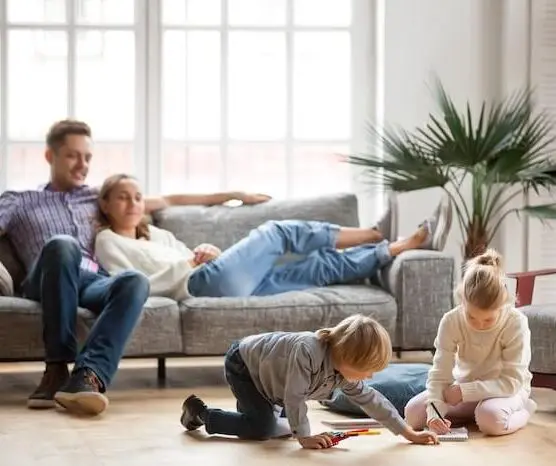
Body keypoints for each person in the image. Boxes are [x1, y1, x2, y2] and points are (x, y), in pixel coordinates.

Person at [0, 119, 270, 415]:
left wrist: (235, 195)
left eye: (87, 157)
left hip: (91, 280)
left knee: (133, 280)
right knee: (63, 245)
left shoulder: (96, 197)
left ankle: (87, 377)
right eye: (72, 155)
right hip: (46, 278)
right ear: (50, 156)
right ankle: (56, 369)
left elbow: (169, 199)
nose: (82, 164)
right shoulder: (19, 201)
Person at [94, 174, 452, 300]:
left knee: (316, 267)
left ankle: (395, 246)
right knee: (278, 232)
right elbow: (132, 284)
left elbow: (192, 254)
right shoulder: (108, 241)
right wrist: (191, 263)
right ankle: (374, 232)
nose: (132, 203)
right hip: (198, 284)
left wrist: (207, 250)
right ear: (106, 204)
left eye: (137, 197)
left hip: (220, 277)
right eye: (122, 197)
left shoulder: (156, 233)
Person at [179, 314, 439, 448]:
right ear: (346, 357)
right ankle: (201, 413)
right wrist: (305, 437)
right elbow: (295, 396)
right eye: (365, 370)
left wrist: (408, 433)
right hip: (245, 365)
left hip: (272, 382)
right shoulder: (308, 350)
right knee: (262, 428)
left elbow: (373, 401)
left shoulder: (344, 372)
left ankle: (250, 416)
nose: (369, 377)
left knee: (275, 428)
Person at [404, 249, 536, 436]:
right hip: (464, 389)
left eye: (488, 320)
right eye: (471, 317)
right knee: (413, 414)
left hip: (506, 391)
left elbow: (511, 382)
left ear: (502, 305)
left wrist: (464, 391)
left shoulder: (516, 323)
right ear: (463, 301)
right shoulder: (451, 321)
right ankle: (472, 414)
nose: (479, 325)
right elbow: (440, 374)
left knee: (491, 420)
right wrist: (434, 414)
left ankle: (523, 411)